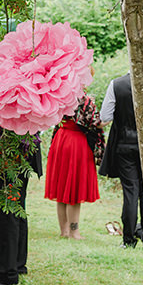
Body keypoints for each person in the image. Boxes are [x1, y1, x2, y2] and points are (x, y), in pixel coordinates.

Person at [0, 138, 42, 285]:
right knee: (17, 207)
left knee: (6, 210)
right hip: (22, 148)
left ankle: (7, 274)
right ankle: (16, 264)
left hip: (12, 149)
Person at [98, 73, 143, 248]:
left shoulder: (117, 84)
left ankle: (128, 240)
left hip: (124, 144)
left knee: (131, 192)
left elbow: (105, 116)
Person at [43, 94, 102, 239]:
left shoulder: (60, 94)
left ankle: (64, 231)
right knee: (74, 190)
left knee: (62, 187)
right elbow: (96, 122)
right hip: (76, 142)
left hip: (60, 138)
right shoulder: (84, 99)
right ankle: (74, 232)